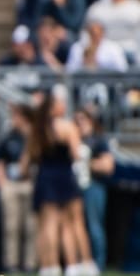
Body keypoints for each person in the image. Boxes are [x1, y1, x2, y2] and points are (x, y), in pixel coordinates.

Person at [20, 87, 98, 276]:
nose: (63, 106)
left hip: (44, 178)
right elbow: (76, 154)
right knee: (73, 223)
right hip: (64, 176)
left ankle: (50, 266)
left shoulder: (37, 130)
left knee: (48, 225)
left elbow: (26, 162)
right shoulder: (66, 126)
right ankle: (79, 265)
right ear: (53, 107)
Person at [0, 104, 36, 272]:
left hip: (29, 182)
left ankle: (30, 263)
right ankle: (11, 263)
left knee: (30, 227)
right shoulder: (8, 137)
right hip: (11, 183)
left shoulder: (33, 137)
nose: (14, 120)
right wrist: (2, 183)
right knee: (11, 227)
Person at [74, 107, 115, 271]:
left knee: (94, 225)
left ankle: (97, 263)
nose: (79, 124)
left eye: (82, 119)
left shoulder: (98, 140)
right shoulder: (74, 139)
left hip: (93, 186)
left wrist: (87, 164)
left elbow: (108, 165)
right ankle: (79, 262)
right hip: (74, 188)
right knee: (76, 227)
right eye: (76, 121)